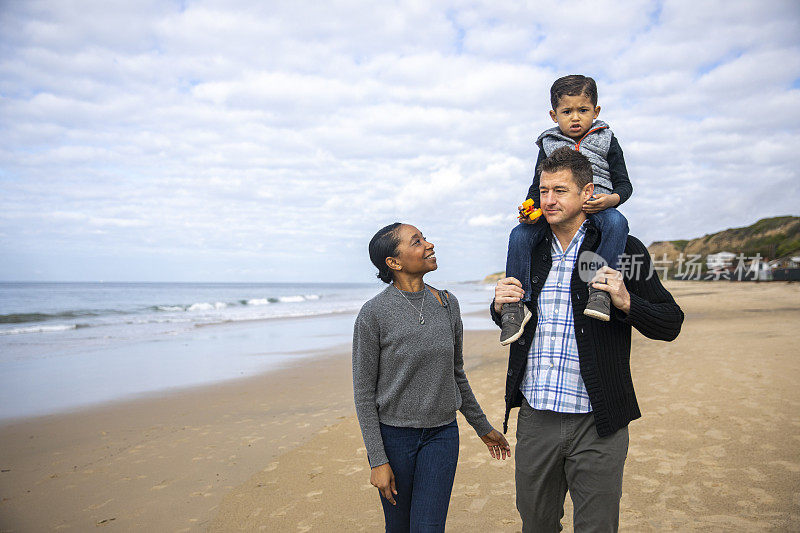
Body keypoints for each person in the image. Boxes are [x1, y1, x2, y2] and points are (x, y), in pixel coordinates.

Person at [491, 147, 683, 532]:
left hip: (599, 421)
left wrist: (626, 302)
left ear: (587, 192)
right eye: (544, 191)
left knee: (597, 527)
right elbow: (512, 321)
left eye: (560, 190)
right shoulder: (530, 246)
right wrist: (499, 306)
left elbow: (670, 322)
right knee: (536, 524)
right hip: (536, 417)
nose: (548, 200)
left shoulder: (625, 250)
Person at [353, 222, 511, 532]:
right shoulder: (373, 314)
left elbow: (456, 374)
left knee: (428, 528)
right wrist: (377, 460)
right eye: (417, 241)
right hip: (395, 440)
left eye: (424, 238)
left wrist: (482, 427)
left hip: (442, 436)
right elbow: (363, 393)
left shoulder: (447, 303)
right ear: (394, 263)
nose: (428, 244)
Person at [500, 74, 634, 345]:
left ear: (596, 111)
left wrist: (610, 200)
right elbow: (537, 184)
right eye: (567, 111)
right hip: (555, 213)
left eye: (583, 110)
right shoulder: (548, 143)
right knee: (519, 234)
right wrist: (530, 209)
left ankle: (600, 291)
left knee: (618, 223)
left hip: (600, 206)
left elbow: (625, 184)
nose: (575, 118)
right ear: (553, 115)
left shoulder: (607, 139)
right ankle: (515, 306)